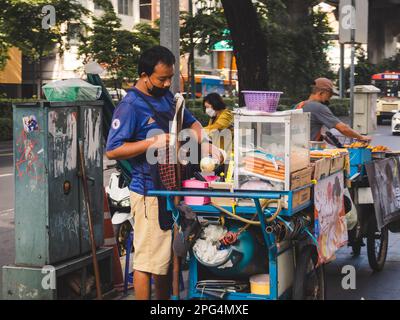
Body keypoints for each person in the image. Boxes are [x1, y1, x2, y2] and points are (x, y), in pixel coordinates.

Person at [105, 46, 222, 300]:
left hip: (173, 191)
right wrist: (150, 143)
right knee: (147, 262)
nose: (167, 83)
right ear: (145, 75)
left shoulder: (168, 98)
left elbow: (192, 122)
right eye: (162, 78)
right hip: (148, 193)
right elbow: (112, 150)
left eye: (170, 77)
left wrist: (208, 143)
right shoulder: (130, 106)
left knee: (166, 260)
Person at [295, 78, 371, 143]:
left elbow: (303, 129)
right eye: (329, 95)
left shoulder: (299, 105)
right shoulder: (318, 107)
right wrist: (361, 137)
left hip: (297, 148)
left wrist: (321, 136)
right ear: (321, 93)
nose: (329, 98)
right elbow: (343, 128)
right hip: (308, 151)